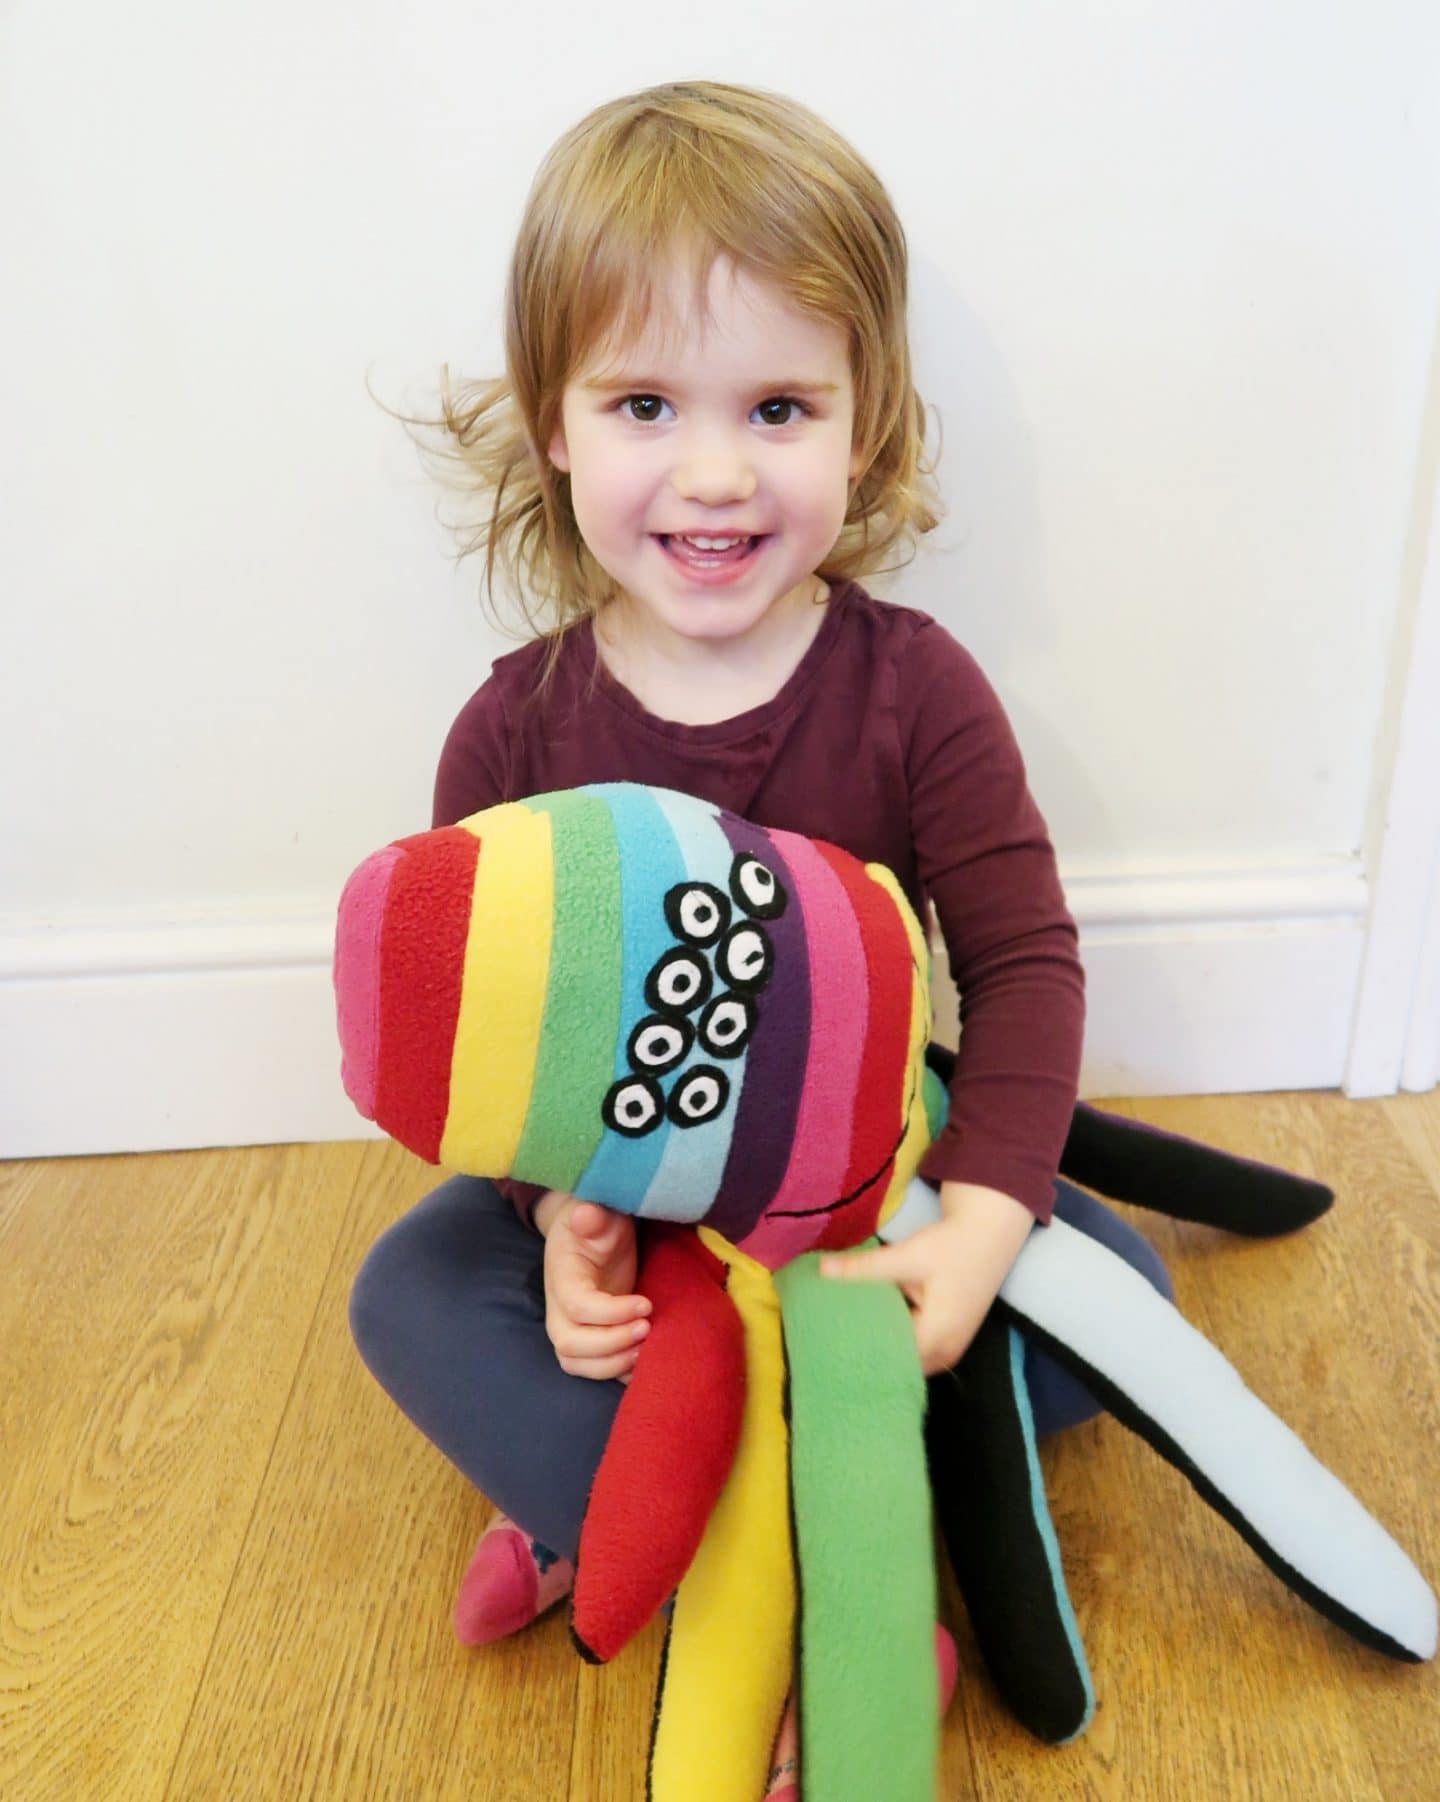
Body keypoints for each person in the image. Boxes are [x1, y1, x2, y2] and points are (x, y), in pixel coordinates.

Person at [349, 79, 1172, 1800]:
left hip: (864, 1205)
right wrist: (554, 1218)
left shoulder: (917, 693)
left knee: (1122, 1287)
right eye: (647, 400)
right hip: (645, 1231)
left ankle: (729, 1526)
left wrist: (986, 1227)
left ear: (862, 428)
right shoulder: (511, 735)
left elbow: (1022, 966)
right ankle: (744, 1554)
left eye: (779, 405)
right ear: (555, 422)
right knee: (411, 1286)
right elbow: (482, 1055)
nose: (714, 472)